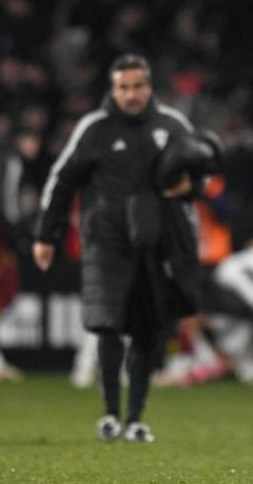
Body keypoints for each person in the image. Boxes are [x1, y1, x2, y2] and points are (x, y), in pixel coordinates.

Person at [34, 54, 212, 443]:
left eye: (138, 86)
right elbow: (62, 181)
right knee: (107, 327)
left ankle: (135, 418)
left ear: (149, 87)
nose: (131, 94)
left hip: (156, 242)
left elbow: (201, 170)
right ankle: (111, 414)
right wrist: (46, 235)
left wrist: (191, 189)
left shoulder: (171, 124)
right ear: (112, 90)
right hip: (106, 242)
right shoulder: (94, 128)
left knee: (148, 332)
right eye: (123, 87)